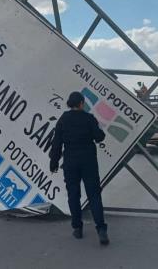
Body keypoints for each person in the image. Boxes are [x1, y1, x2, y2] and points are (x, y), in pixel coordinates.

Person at [49, 91, 109, 245]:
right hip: (88, 161)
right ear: (81, 103)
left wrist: (54, 162)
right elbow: (99, 137)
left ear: (70, 104)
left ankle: (77, 228)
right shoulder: (89, 118)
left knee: (73, 195)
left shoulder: (63, 119)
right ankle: (101, 229)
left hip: (70, 162)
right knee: (94, 195)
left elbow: (56, 143)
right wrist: (98, 129)